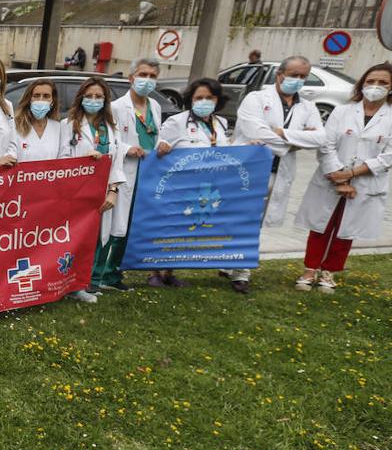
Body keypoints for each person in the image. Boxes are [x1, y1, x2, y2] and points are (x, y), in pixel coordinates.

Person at [294, 64, 392, 293]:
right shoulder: (342, 111)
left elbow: (391, 156)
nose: (375, 87)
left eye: (383, 83)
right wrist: (339, 179)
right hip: (331, 178)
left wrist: (350, 175)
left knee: (346, 229)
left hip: (365, 183)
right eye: (370, 81)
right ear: (362, 84)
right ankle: (309, 269)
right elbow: (326, 145)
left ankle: (329, 272)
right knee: (320, 226)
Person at [229, 55, 325, 292]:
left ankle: (240, 269)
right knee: (240, 220)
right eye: (294, 75)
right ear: (279, 75)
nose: (298, 80)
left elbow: (321, 138)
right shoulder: (256, 98)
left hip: (277, 173)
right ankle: (235, 266)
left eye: (303, 76)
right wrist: (295, 140)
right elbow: (253, 130)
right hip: (249, 171)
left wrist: (280, 133)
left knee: (256, 223)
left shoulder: (308, 106)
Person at [154, 78, 232, 289]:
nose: (204, 101)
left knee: (184, 230)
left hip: (206, 187)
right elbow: (159, 146)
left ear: (217, 100)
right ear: (191, 99)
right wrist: (161, 146)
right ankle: (155, 272)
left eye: (209, 98)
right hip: (179, 186)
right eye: (199, 98)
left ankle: (170, 272)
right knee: (168, 228)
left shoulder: (221, 124)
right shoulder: (177, 122)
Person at [59, 77, 125, 303]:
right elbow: (62, 159)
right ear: (81, 98)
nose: (94, 100)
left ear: (105, 100)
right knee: (77, 238)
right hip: (78, 191)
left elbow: (117, 161)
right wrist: (85, 160)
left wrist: (113, 190)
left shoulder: (111, 127)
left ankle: (90, 282)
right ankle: (71, 284)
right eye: (89, 96)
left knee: (99, 237)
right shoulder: (68, 125)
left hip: (104, 190)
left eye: (99, 97)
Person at [103, 58, 164, 291]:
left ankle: (116, 272)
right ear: (131, 78)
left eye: (152, 76)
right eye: (143, 74)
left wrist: (163, 144)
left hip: (148, 174)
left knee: (133, 224)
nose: (147, 80)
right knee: (116, 224)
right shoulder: (117, 107)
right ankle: (104, 274)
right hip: (125, 172)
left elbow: (157, 136)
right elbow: (110, 140)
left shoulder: (155, 107)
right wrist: (128, 148)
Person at [12, 78, 64, 162]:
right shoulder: (15, 126)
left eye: (46, 96)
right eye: (36, 95)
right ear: (29, 99)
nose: (41, 100)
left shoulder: (58, 128)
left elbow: (63, 160)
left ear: (52, 101)